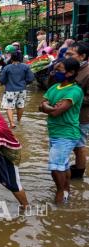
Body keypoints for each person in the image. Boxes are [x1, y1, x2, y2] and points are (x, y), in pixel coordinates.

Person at [39, 58, 82, 203]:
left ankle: (60, 194)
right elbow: (41, 106)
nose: (55, 72)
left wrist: (48, 107)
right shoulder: (54, 87)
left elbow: (57, 112)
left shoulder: (75, 91)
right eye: (55, 69)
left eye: (59, 70)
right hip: (55, 132)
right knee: (62, 165)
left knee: (55, 167)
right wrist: (48, 107)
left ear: (71, 73)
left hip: (67, 134)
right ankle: (66, 190)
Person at [65, 42, 89, 178]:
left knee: (79, 145)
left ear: (82, 56)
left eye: (71, 54)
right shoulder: (72, 69)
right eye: (67, 53)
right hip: (69, 115)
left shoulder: (87, 72)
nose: (67, 56)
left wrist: (70, 100)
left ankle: (79, 172)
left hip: (82, 117)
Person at [0, 52, 35, 128]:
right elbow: (31, 78)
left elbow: (1, 79)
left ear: (11, 58)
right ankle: (18, 121)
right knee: (20, 106)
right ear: (21, 58)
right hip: (22, 90)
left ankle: (12, 123)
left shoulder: (7, 67)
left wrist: (4, 83)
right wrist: (25, 83)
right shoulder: (26, 67)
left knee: (9, 107)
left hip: (10, 90)